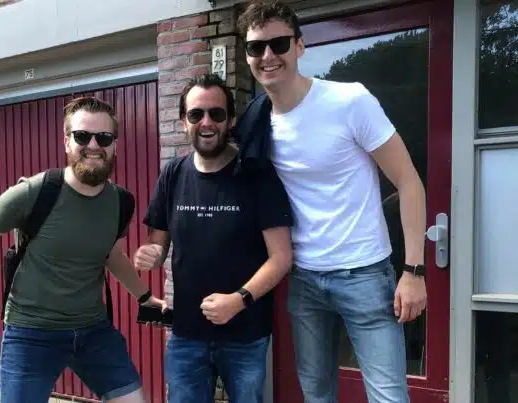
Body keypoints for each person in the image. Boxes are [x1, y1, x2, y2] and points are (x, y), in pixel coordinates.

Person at [235, 1, 428, 402]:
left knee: (389, 397)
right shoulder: (257, 121)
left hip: (365, 274)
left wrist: (413, 271)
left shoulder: (348, 101)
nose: (268, 56)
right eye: (256, 47)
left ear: (300, 46)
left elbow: (409, 182)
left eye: (279, 43)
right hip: (305, 278)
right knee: (317, 395)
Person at [0, 96, 166, 403]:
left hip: (93, 330)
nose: (93, 145)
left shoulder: (121, 202)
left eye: (103, 138)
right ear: (67, 142)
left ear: (114, 145)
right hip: (31, 333)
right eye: (82, 136)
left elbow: (111, 255)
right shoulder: (35, 191)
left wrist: (145, 297)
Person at [133, 73, 293, 403]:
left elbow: (281, 258)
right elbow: (158, 246)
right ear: (184, 122)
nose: (206, 123)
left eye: (216, 114)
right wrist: (149, 254)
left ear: (230, 120)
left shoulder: (257, 174)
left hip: (245, 335)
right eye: (196, 114)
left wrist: (238, 300)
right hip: (186, 335)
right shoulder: (173, 173)